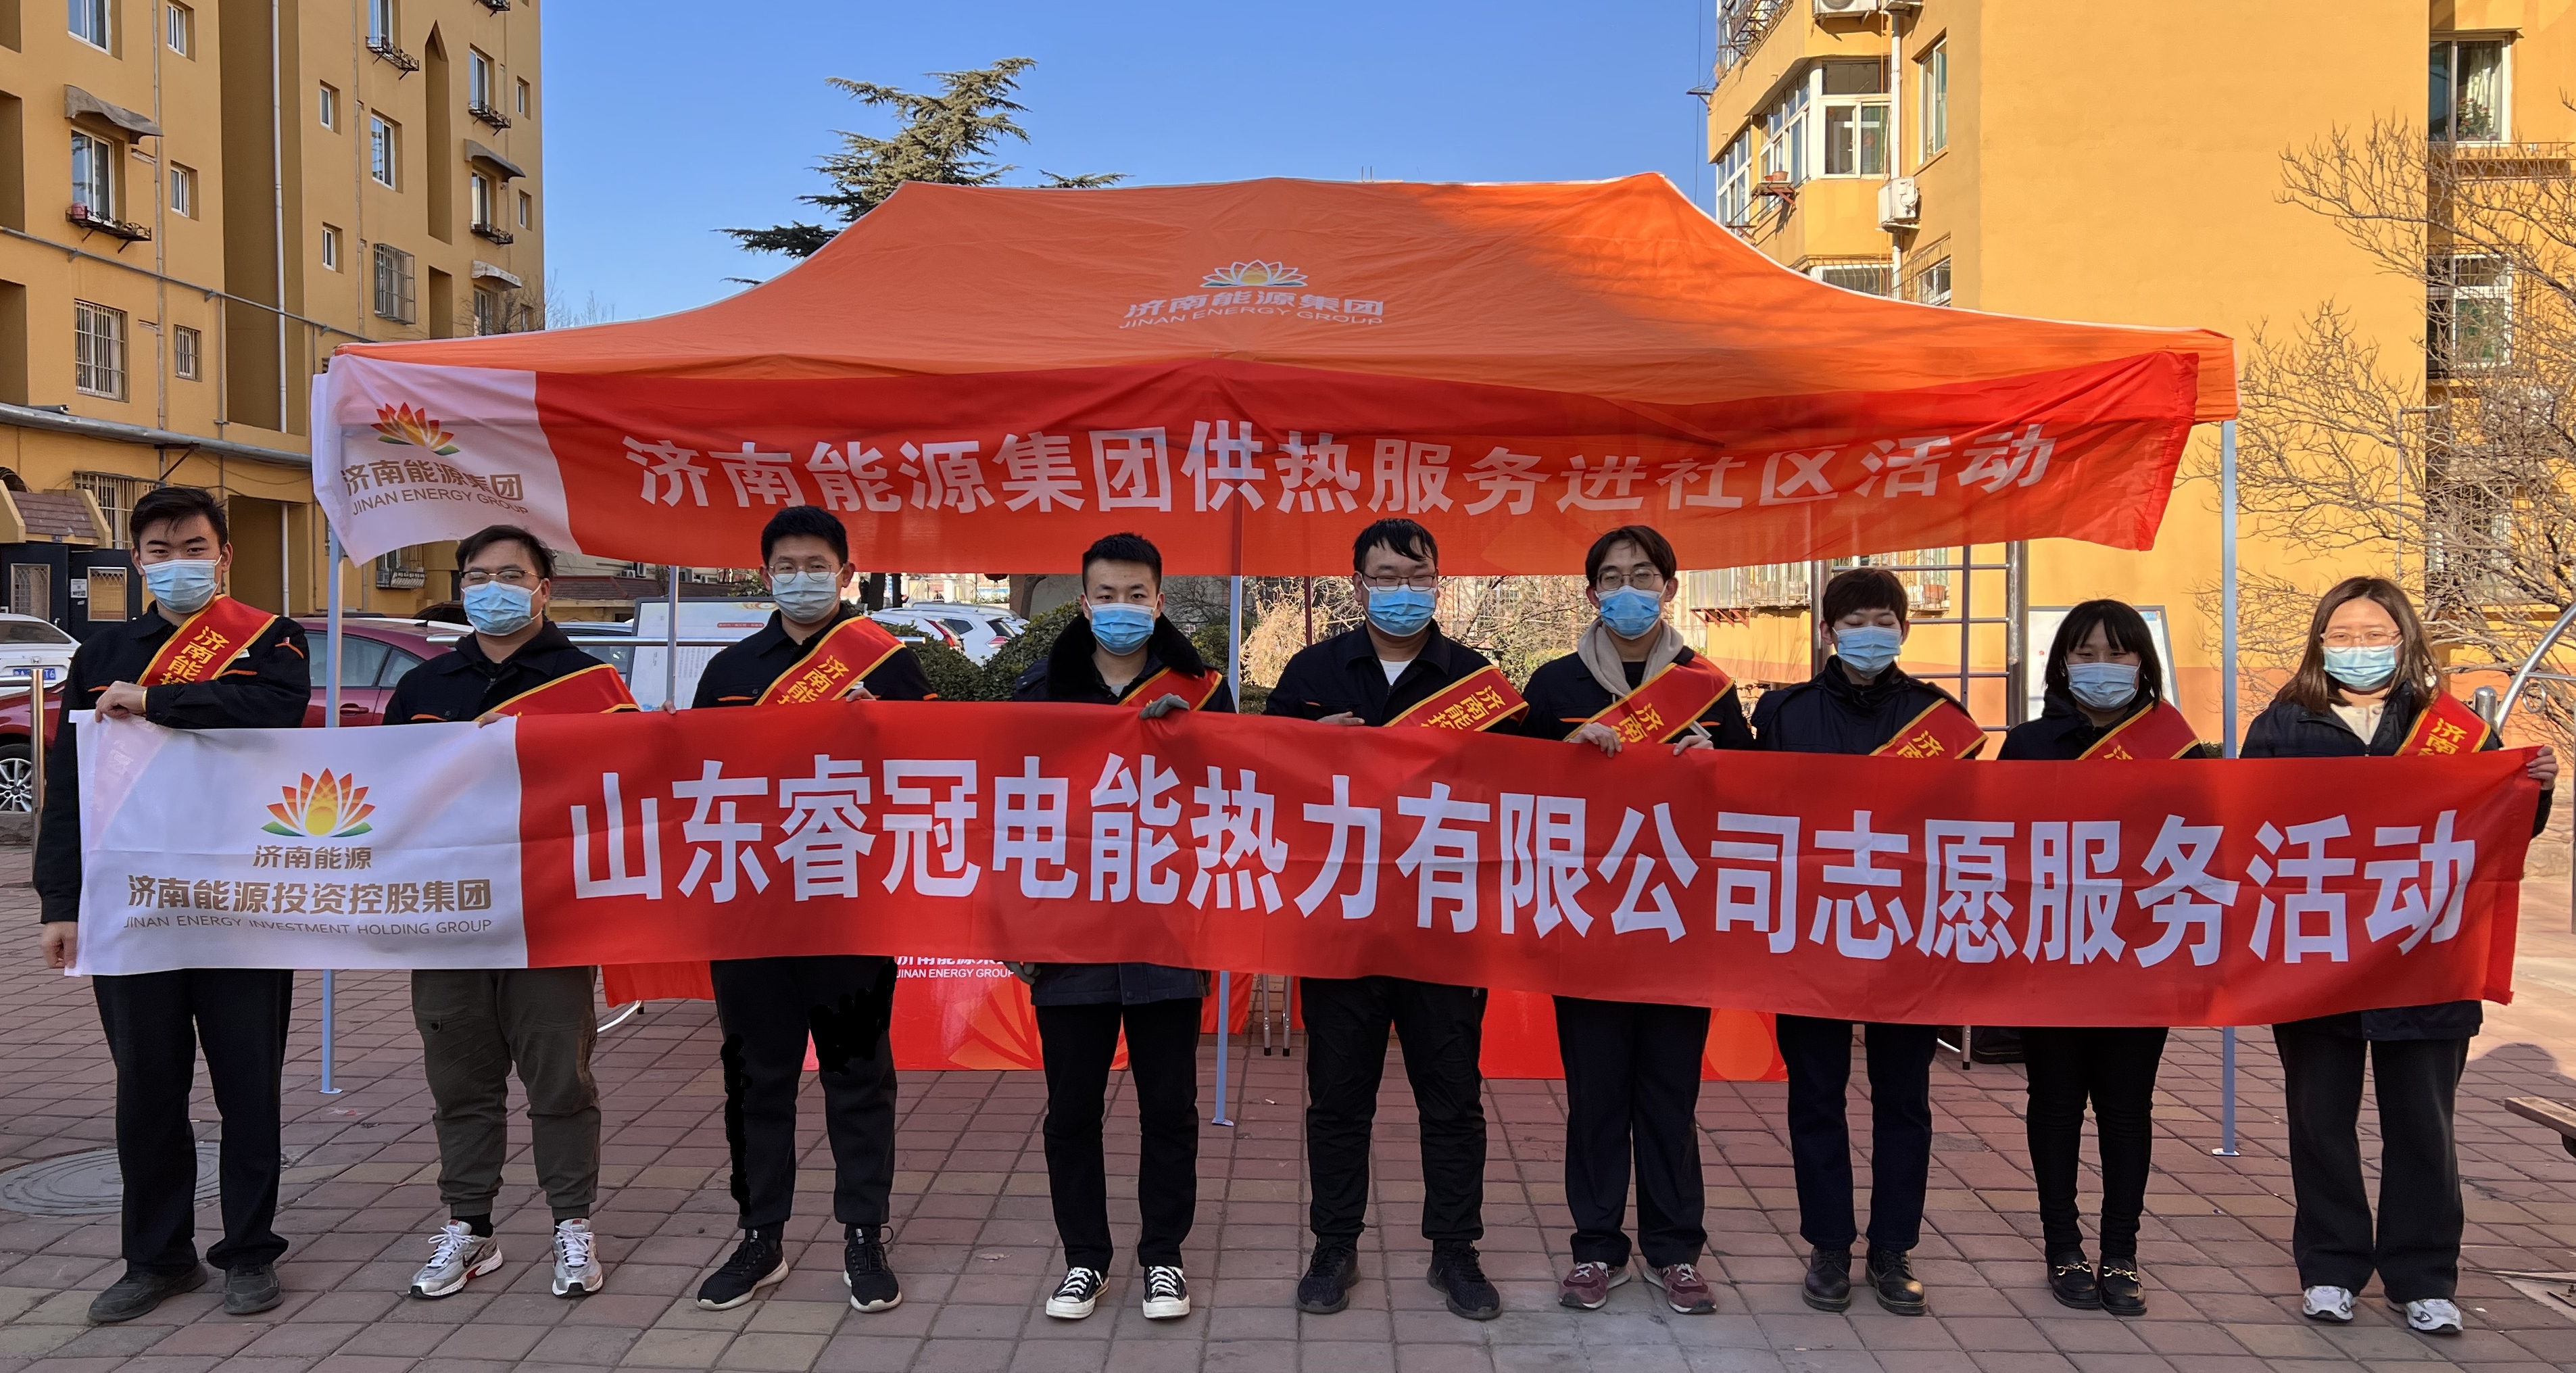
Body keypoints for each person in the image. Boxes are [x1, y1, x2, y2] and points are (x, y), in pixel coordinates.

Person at [2245, 576, 2556, 1336]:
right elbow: (2243, 828)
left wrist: (2534, 790)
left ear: (2403, 639)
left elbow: (2500, 827)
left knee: (2422, 1126)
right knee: (2320, 1123)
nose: (2358, 648)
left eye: (2374, 634)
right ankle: (2330, 1268)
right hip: (2316, 957)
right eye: (2342, 635)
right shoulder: (2283, 723)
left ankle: (2423, 1276)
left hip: (2425, 957)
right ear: (2320, 643)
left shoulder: (2453, 729)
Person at [34, 486, 311, 1324]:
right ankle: (158, 1259)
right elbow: (71, 783)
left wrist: (153, 700)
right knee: (147, 1089)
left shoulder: (271, 639)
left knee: (248, 1085)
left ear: (223, 555)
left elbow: (273, 711)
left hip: (242, 899)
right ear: (137, 561)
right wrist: (60, 901)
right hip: (134, 903)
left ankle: (249, 1252)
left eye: (193, 547)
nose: (177, 563)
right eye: (159, 550)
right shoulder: (101, 652)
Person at [1267, 518, 1517, 1321]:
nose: (1402, 592)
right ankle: (1333, 1246)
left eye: (1417, 577)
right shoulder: (1311, 674)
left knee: (1452, 1101)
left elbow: (1525, 791)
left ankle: (1456, 1251)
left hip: (1443, 928)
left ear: (1438, 582)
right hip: (1340, 927)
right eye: (1386, 577)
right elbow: (1261, 781)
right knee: (1338, 1100)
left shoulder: (1476, 682)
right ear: (1358, 585)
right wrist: (1305, 746)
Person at [687, 505, 933, 1315]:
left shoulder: (888, 663)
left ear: (846, 574)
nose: (801, 578)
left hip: (851, 907)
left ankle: (864, 1233)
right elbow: (690, 778)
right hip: (752, 908)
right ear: (766, 576)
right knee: (757, 1081)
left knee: (858, 1077)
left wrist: (879, 725)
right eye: (786, 566)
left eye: (816, 565)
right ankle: (760, 1235)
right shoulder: (728, 671)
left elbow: (941, 769)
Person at [381, 525, 635, 1301]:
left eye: (511, 575)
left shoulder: (593, 686)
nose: (493, 589)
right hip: (450, 919)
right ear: (461, 588)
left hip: (550, 918)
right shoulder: (424, 688)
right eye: (478, 576)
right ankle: (470, 1228)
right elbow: (388, 796)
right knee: (460, 1082)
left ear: (543, 589)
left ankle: (572, 1224)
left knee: (560, 1081)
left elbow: (631, 795)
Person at [1520, 525, 1750, 1316]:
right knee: (1596, 1094)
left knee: (1668, 1094)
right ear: (1590, 594)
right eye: (1612, 578)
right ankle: (1595, 1247)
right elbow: (1506, 791)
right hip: (1585, 925)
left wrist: (1713, 764)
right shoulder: (1551, 687)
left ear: (1669, 588)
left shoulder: (1709, 689)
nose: (1628, 590)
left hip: (1678, 925)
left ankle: (1674, 1249)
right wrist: (1562, 755)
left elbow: (1756, 801)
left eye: (1643, 575)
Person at [1749, 565, 1980, 1318]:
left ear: (1904, 630)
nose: (1869, 634)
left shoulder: (1940, 719)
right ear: (1828, 631)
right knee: (1815, 1095)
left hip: (1906, 935)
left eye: (1883, 620)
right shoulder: (1783, 714)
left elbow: (1968, 825)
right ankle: (1828, 1246)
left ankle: (1892, 1248)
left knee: (1903, 1099)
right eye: (1854, 622)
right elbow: (1749, 808)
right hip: (1811, 932)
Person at [1010, 532, 1230, 1324]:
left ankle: (1163, 1257)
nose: (1122, 608)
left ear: (1159, 601)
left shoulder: (1203, 692)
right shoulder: (1038, 694)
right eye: (1107, 595)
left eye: (1137, 595)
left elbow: (1236, 802)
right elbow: (1004, 815)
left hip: (1169, 934)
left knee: (1168, 1108)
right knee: (1072, 1111)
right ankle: (1085, 1260)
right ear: (1083, 603)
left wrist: (1191, 743)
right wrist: (1013, 931)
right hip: (1068, 938)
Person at [1997, 599, 2212, 1318]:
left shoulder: (2177, 748)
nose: (2101, 667)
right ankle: (2062, 1247)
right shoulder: (2027, 746)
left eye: (2117, 654)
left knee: (2126, 1109)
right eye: (2085, 654)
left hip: (2138, 956)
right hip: (2051, 952)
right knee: (2055, 1104)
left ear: (2142, 664)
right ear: (2061, 663)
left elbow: (2203, 849)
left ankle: (2121, 1252)